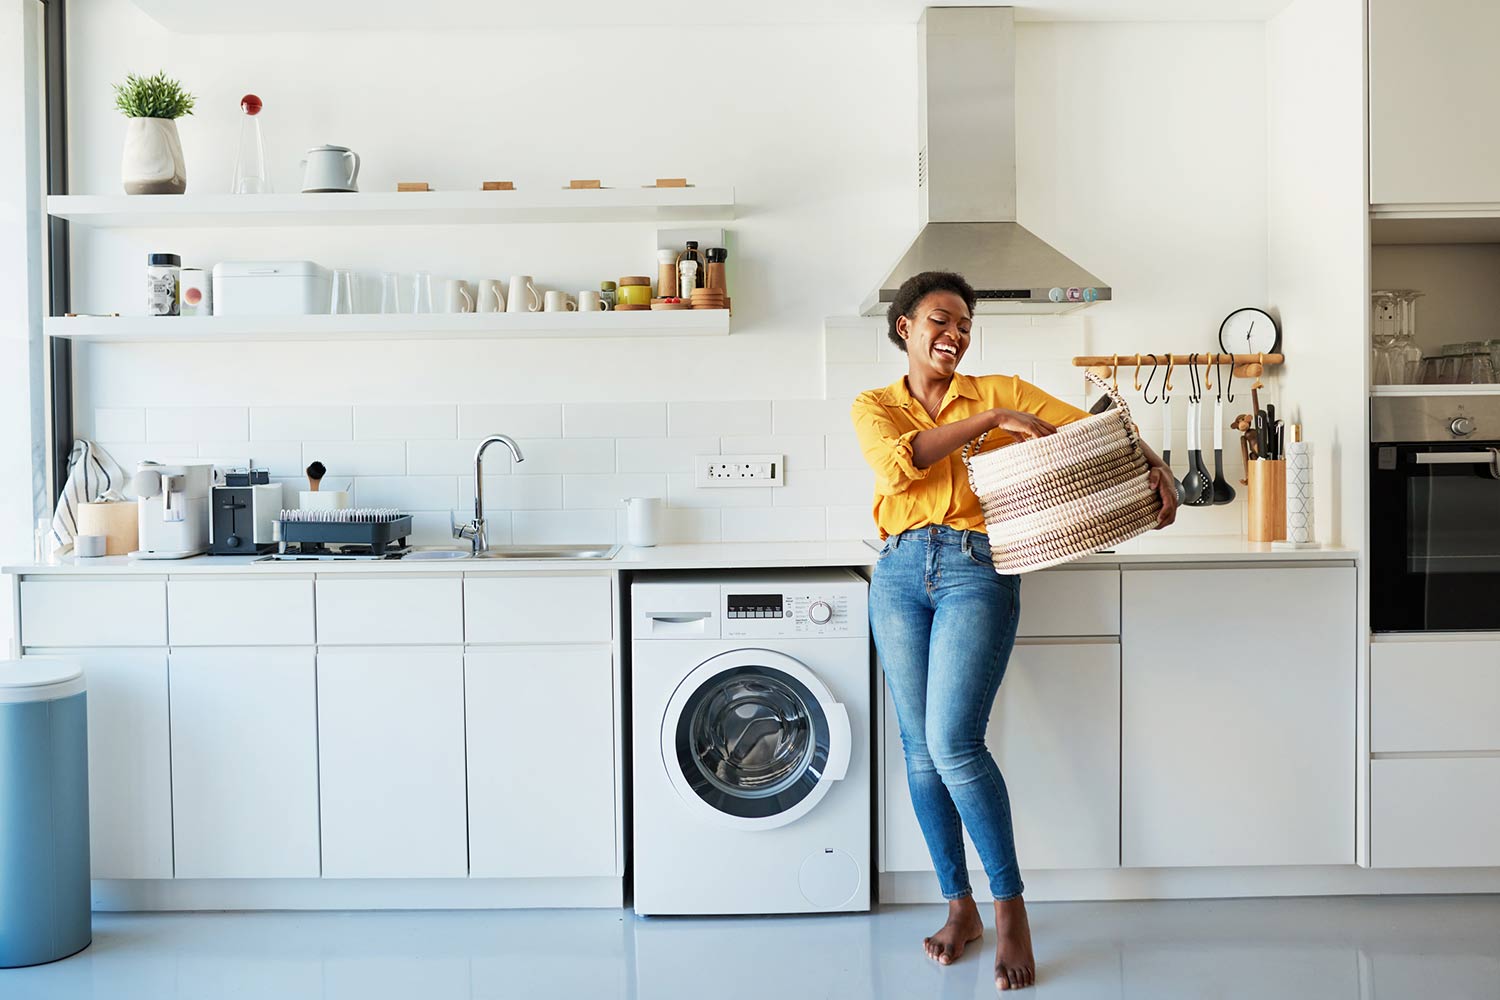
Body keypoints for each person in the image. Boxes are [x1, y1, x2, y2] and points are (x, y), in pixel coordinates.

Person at [851, 271, 1177, 991]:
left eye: (965, 323)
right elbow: (901, 467)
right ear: (905, 327)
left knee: (953, 743)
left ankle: (1009, 910)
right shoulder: (875, 405)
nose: (956, 334)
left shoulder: (1001, 388)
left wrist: (1158, 468)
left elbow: (1100, 431)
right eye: (942, 319)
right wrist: (989, 422)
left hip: (976, 567)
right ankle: (957, 906)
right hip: (900, 572)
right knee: (919, 754)